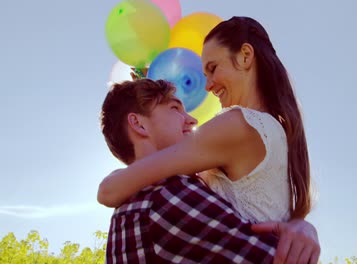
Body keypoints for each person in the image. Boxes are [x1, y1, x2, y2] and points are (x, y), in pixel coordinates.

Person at [99, 15, 312, 224]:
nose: (208, 86)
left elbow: (109, 190)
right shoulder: (271, 128)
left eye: (213, 69)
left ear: (245, 56)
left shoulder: (237, 125)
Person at [100, 79, 319, 263]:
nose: (192, 120)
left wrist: (299, 225)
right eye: (175, 108)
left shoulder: (127, 208)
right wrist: (293, 233)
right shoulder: (171, 196)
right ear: (138, 124)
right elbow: (276, 258)